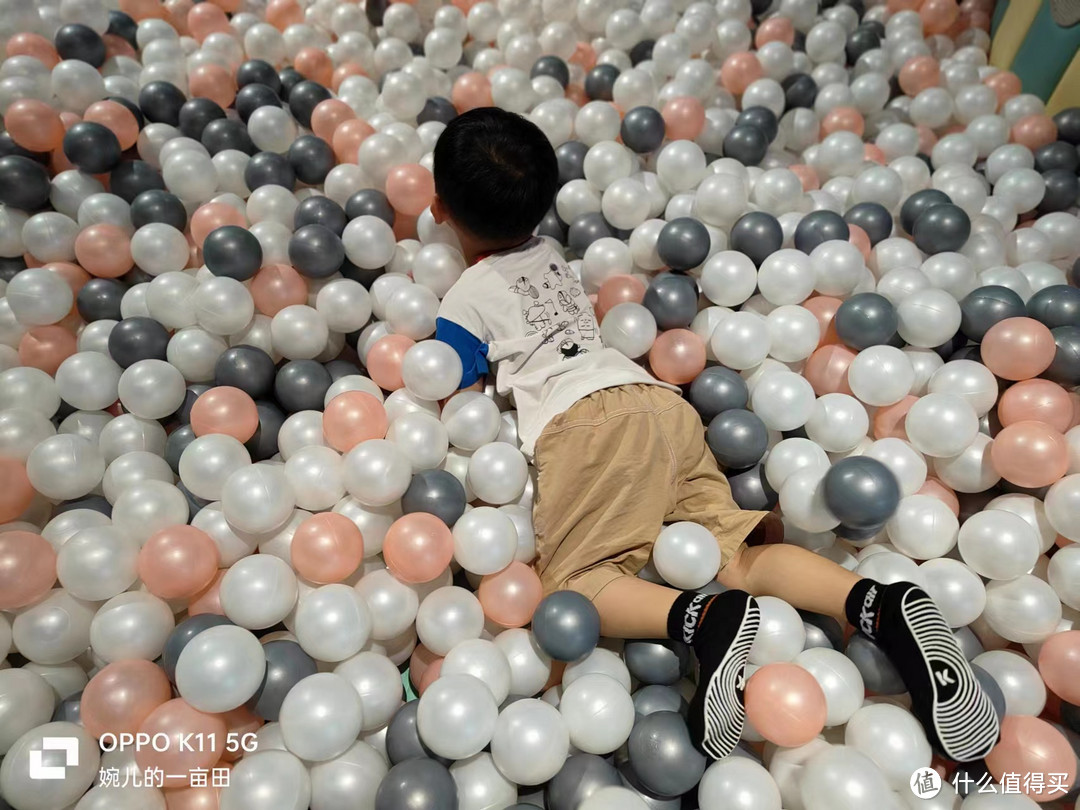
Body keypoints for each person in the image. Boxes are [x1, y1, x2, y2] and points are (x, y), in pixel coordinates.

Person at [430, 106, 999, 763]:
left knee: (575, 585)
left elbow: (456, 390)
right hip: (661, 407)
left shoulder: (463, 298)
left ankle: (697, 620)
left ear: (441, 211)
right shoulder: (553, 254)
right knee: (731, 551)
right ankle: (875, 603)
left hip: (582, 427)